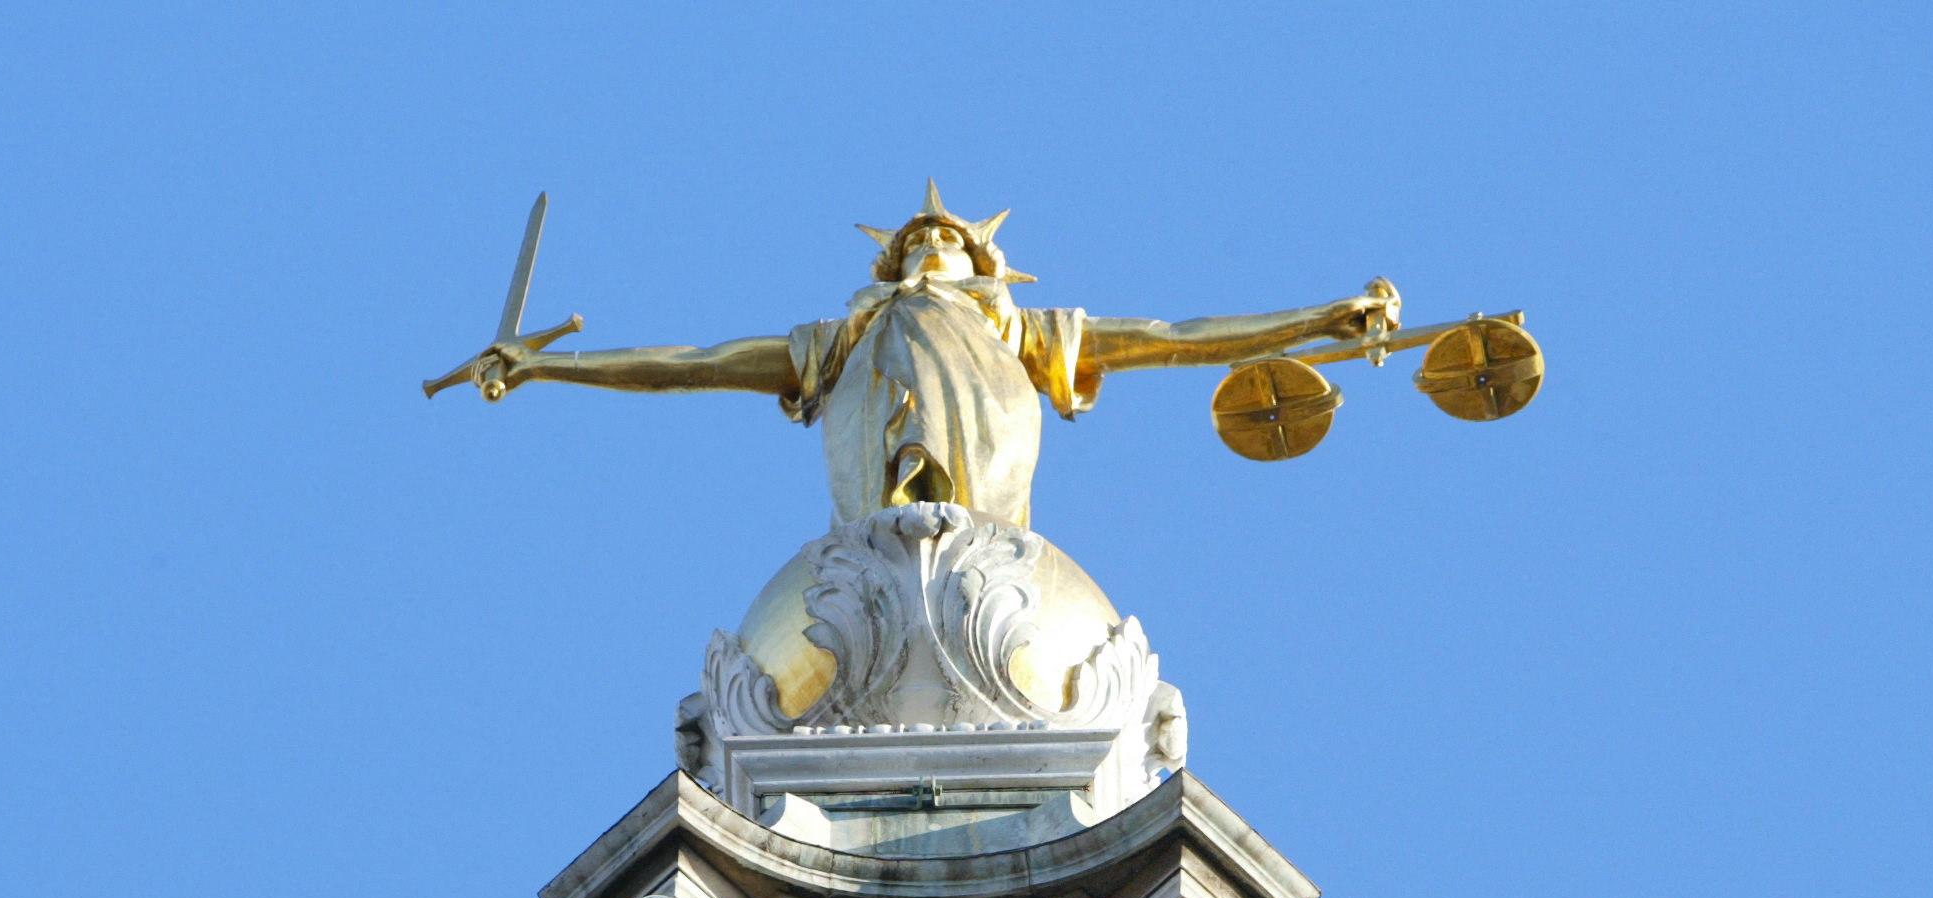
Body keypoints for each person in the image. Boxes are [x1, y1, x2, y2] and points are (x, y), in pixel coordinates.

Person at [478, 181, 1400, 528]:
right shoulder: (842, 338)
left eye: (948, 240)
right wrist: (548, 364)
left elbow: (1176, 340)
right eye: (914, 240)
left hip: (990, 459)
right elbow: (694, 363)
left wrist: (1321, 319)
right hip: (869, 459)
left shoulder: (1025, 332)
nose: (929, 244)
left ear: (983, 262)